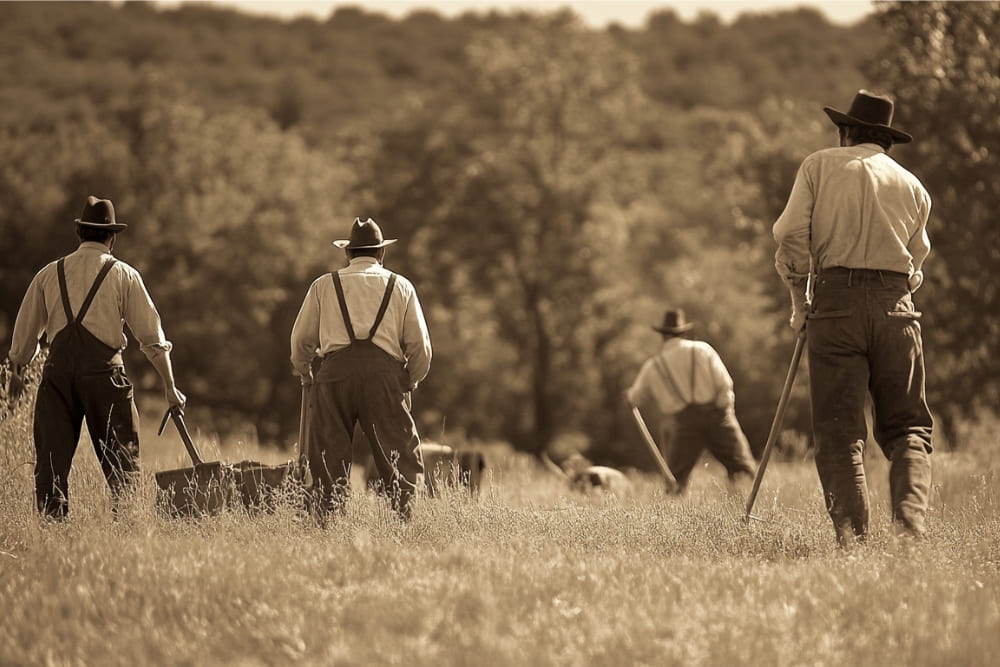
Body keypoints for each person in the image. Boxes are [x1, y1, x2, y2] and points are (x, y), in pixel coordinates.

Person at [772, 90, 933, 545]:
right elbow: (917, 265)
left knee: (840, 431)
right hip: (897, 308)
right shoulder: (913, 185)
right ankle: (910, 528)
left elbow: (788, 236)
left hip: (835, 306)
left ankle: (853, 543)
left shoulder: (819, 166)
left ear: (845, 132)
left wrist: (799, 302)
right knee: (909, 427)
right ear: (886, 141)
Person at [6, 196, 186, 520]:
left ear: (79, 234)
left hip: (57, 379)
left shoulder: (49, 274)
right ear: (111, 237)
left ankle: (51, 530)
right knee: (123, 466)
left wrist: (17, 382)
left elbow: (21, 348)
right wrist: (169, 387)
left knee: (51, 467)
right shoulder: (123, 275)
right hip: (106, 379)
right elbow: (153, 340)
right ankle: (126, 529)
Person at [290, 217, 432, 521]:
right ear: (381, 253)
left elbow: (301, 340)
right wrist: (412, 378)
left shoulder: (323, 285)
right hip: (385, 379)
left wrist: (305, 370)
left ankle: (328, 522)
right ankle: (406, 523)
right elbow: (420, 347)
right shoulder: (401, 286)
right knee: (400, 455)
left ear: (347, 254)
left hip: (334, 377)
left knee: (328, 454)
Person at [626, 309, 756, 492]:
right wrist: (724, 412)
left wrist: (629, 395)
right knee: (743, 470)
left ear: (663, 336)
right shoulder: (703, 349)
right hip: (718, 416)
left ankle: (675, 515)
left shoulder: (653, 365)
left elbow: (635, 398)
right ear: (683, 332)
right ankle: (745, 504)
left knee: (676, 481)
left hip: (685, 424)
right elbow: (725, 383)